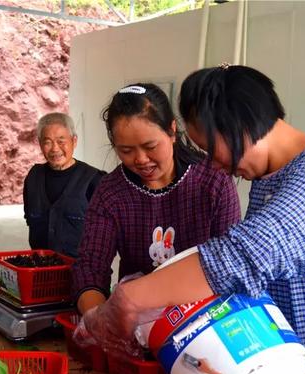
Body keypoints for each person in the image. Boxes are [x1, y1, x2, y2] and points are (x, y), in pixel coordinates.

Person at [77, 66, 305, 374]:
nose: (216, 166)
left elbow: (243, 255)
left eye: (210, 149)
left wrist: (132, 297)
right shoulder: (271, 181)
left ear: (239, 124)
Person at [72, 82, 241, 314]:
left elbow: (230, 264)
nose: (141, 159)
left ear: (171, 131)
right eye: (126, 151)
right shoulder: (110, 193)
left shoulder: (213, 182)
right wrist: (97, 317)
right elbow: (91, 266)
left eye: (150, 146)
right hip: (136, 320)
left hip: (206, 319)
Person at [23, 112, 106, 258]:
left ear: (74, 141)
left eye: (61, 141)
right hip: (42, 270)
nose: (55, 149)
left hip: (80, 273)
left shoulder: (94, 180)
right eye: (47, 142)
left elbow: (105, 236)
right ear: (40, 143)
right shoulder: (34, 177)